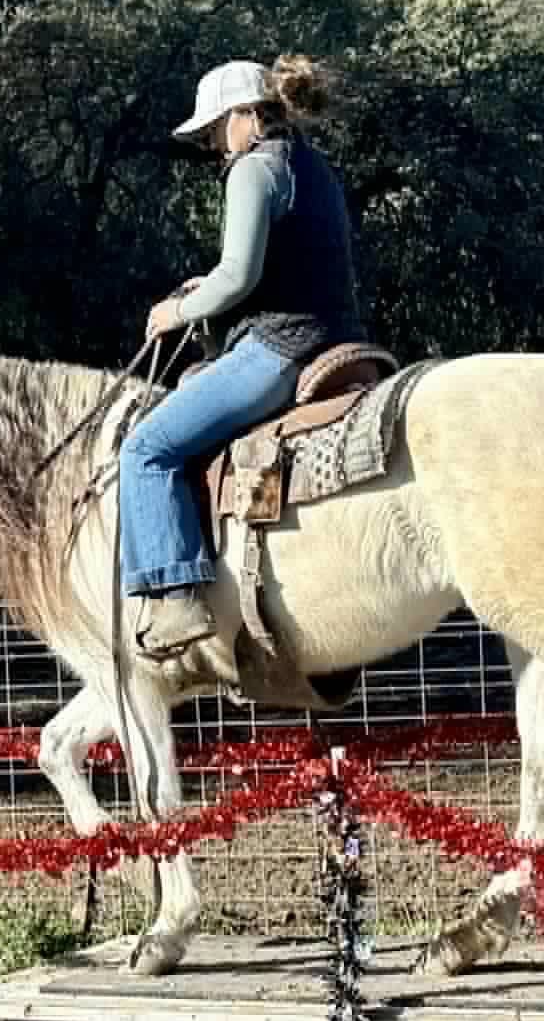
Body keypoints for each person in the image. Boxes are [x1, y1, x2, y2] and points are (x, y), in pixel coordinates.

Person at [119, 54, 366, 662]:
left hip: (280, 349)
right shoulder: (312, 165)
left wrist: (178, 312)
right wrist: (209, 286)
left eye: (214, 129)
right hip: (336, 337)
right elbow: (271, 267)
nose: (212, 144)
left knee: (145, 449)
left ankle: (176, 596)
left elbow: (238, 278)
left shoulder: (254, 169)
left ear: (246, 115)